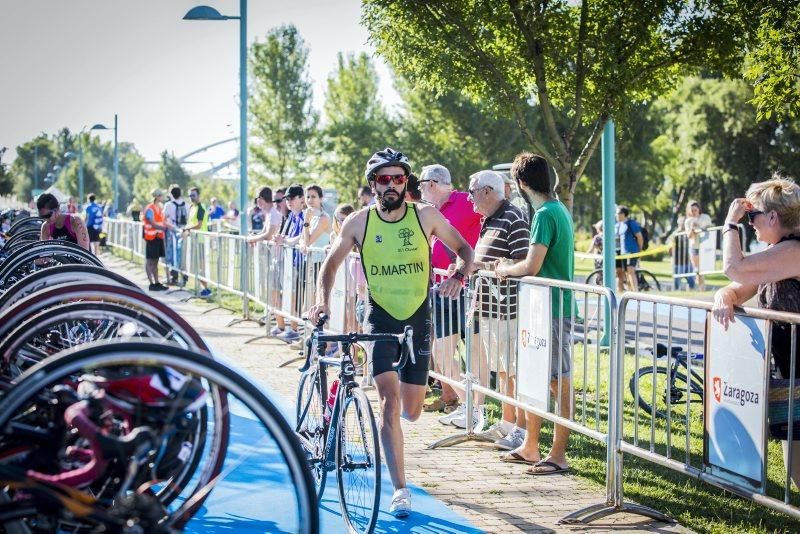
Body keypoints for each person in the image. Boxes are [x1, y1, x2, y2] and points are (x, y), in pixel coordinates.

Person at [309, 147, 473, 518]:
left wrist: (460, 277)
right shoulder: (359, 223)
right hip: (380, 318)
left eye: (399, 178)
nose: (392, 185)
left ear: (406, 182)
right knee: (388, 400)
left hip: (418, 317)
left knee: (411, 411)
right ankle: (400, 489)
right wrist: (323, 301)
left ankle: (395, 429)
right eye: (384, 179)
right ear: (373, 185)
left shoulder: (426, 216)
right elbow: (330, 266)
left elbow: (464, 248)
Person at [712, 175, 800, 489]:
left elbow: (734, 267)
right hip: (787, 376)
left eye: (753, 216)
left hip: (796, 376)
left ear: (774, 217)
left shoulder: (793, 251)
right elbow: (738, 285)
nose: (750, 223)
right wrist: (724, 296)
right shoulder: (778, 254)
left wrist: (730, 224)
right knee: (795, 467)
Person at [495, 152, 575, 476]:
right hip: (547, 308)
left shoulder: (544, 214)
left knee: (559, 383)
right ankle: (531, 446)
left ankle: (558, 455)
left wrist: (504, 269)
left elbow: (532, 265)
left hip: (553, 309)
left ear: (521, 183)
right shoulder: (557, 210)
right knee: (538, 379)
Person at [455, 170, 529, 447]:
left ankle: (519, 429)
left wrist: (482, 267)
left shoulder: (513, 217)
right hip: (490, 310)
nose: (469, 196)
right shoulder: (490, 219)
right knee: (503, 371)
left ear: (487, 191)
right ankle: (508, 423)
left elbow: (523, 264)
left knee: (513, 371)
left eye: (472, 191)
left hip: (508, 310)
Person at [417, 164, 482, 419]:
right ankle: (464, 404)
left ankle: (476, 409)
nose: (420, 190)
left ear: (431, 184)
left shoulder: (466, 201)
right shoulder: (431, 211)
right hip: (443, 289)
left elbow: (490, 221)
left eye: (421, 185)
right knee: (441, 353)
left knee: (475, 355)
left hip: (468, 289)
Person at [272, 184, 306, 343]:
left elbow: (302, 238)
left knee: (296, 298)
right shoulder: (292, 216)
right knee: (290, 296)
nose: (288, 202)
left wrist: (284, 240)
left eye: (291, 199)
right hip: (291, 263)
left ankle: (296, 330)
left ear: (301, 198)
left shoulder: (305, 215)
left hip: (302, 264)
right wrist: (280, 238)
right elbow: (287, 237)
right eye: (287, 200)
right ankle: (293, 329)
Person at [182, 187, 213, 298]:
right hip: (194, 240)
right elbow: (190, 222)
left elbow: (199, 225)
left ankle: (207, 289)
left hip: (200, 241)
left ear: (199, 195)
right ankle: (202, 288)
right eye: (190, 195)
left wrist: (187, 229)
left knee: (201, 267)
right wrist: (187, 229)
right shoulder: (191, 207)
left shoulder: (200, 208)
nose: (191, 197)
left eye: (193, 195)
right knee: (195, 267)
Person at [142, 189, 173, 291]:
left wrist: (172, 227)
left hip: (158, 237)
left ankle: (156, 282)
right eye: (161, 196)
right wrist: (163, 228)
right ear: (157, 196)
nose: (162, 197)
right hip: (151, 238)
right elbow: (152, 223)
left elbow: (162, 221)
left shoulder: (159, 208)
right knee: (150, 261)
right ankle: (151, 283)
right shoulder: (150, 208)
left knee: (155, 261)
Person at [684, 200, 713, 291]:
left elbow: (710, 229)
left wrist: (699, 226)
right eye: (691, 210)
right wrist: (692, 228)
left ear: (699, 209)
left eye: (695, 210)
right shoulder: (688, 221)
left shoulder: (705, 217)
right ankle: (701, 288)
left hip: (705, 246)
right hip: (694, 246)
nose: (693, 212)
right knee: (697, 269)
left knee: (702, 269)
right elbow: (689, 236)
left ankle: (701, 287)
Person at [164, 185, 189, 285]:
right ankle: (184, 275)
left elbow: (164, 218)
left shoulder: (169, 205)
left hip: (172, 231)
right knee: (182, 254)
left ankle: (174, 276)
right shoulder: (186, 205)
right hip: (183, 231)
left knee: (172, 254)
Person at [615, 206, 643, 292]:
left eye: (618, 213)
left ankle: (635, 292)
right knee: (625, 272)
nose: (617, 215)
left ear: (624, 214)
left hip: (632, 251)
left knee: (631, 271)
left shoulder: (631, 223)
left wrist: (640, 250)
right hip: (623, 253)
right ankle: (629, 291)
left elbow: (640, 237)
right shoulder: (619, 225)